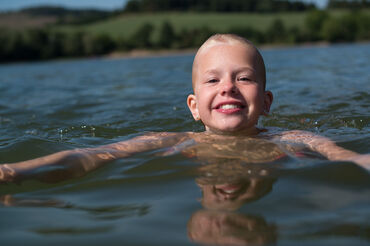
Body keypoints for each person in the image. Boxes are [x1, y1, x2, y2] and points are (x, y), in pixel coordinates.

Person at [1, 34, 369, 183]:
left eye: (243, 78)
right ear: (194, 107)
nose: (228, 86)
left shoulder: (291, 138)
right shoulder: (172, 140)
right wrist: (14, 171)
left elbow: (342, 156)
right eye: (213, 81)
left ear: (267, 102)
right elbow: (93, 155)